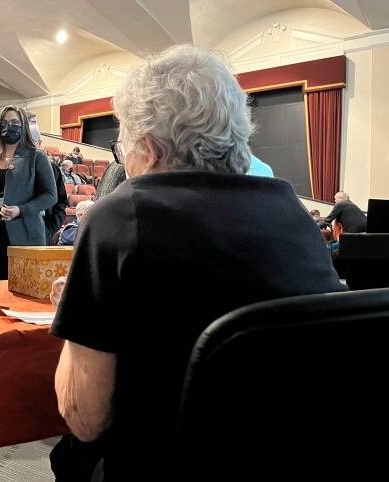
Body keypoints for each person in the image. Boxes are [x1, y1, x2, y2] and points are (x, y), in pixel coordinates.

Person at [49, 45, 345, 481]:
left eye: (123, 143)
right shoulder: (295, 217)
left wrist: (72, 315)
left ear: (147, 148)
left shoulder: (118, 217)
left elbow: (84, 417)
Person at [0, 106, 57, 278]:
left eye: (14, 122)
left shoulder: (36, 157)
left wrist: (21, 209)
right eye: (4, 123)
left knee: (24, 287)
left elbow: (51, 196)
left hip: (24, 234)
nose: (8, 127)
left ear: (23, 126)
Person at [29, 112, 67, 245]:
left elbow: (61, 202)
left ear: (39, 143)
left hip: (44, 230)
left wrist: (50, 229)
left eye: (34, 142)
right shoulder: (12, 168)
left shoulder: (53, 169)